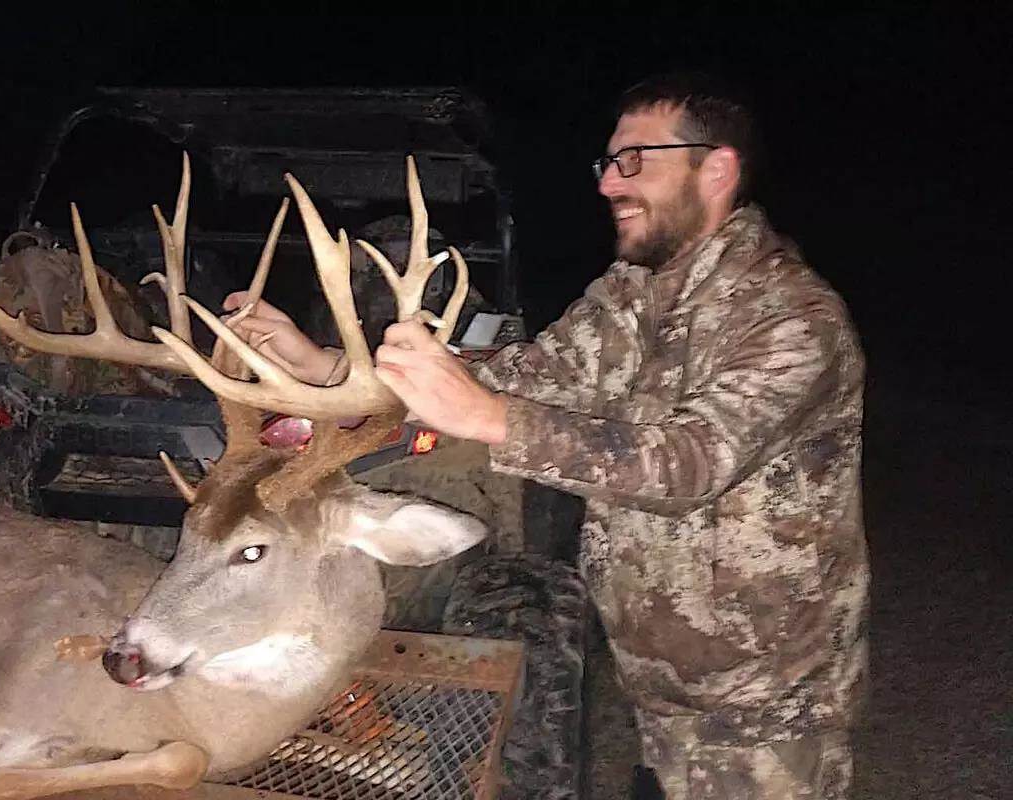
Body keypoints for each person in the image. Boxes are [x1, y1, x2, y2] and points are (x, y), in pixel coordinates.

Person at [224, 73, 869, 800]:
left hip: (761, 697)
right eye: (608, 163)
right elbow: (523, 374)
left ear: (716, 168)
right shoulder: (636, 294)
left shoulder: (790, 318)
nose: (608, 185)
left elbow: (687, 467)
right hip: (662, 679)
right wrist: (328, 366)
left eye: (635, 161)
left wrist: (489, 421)